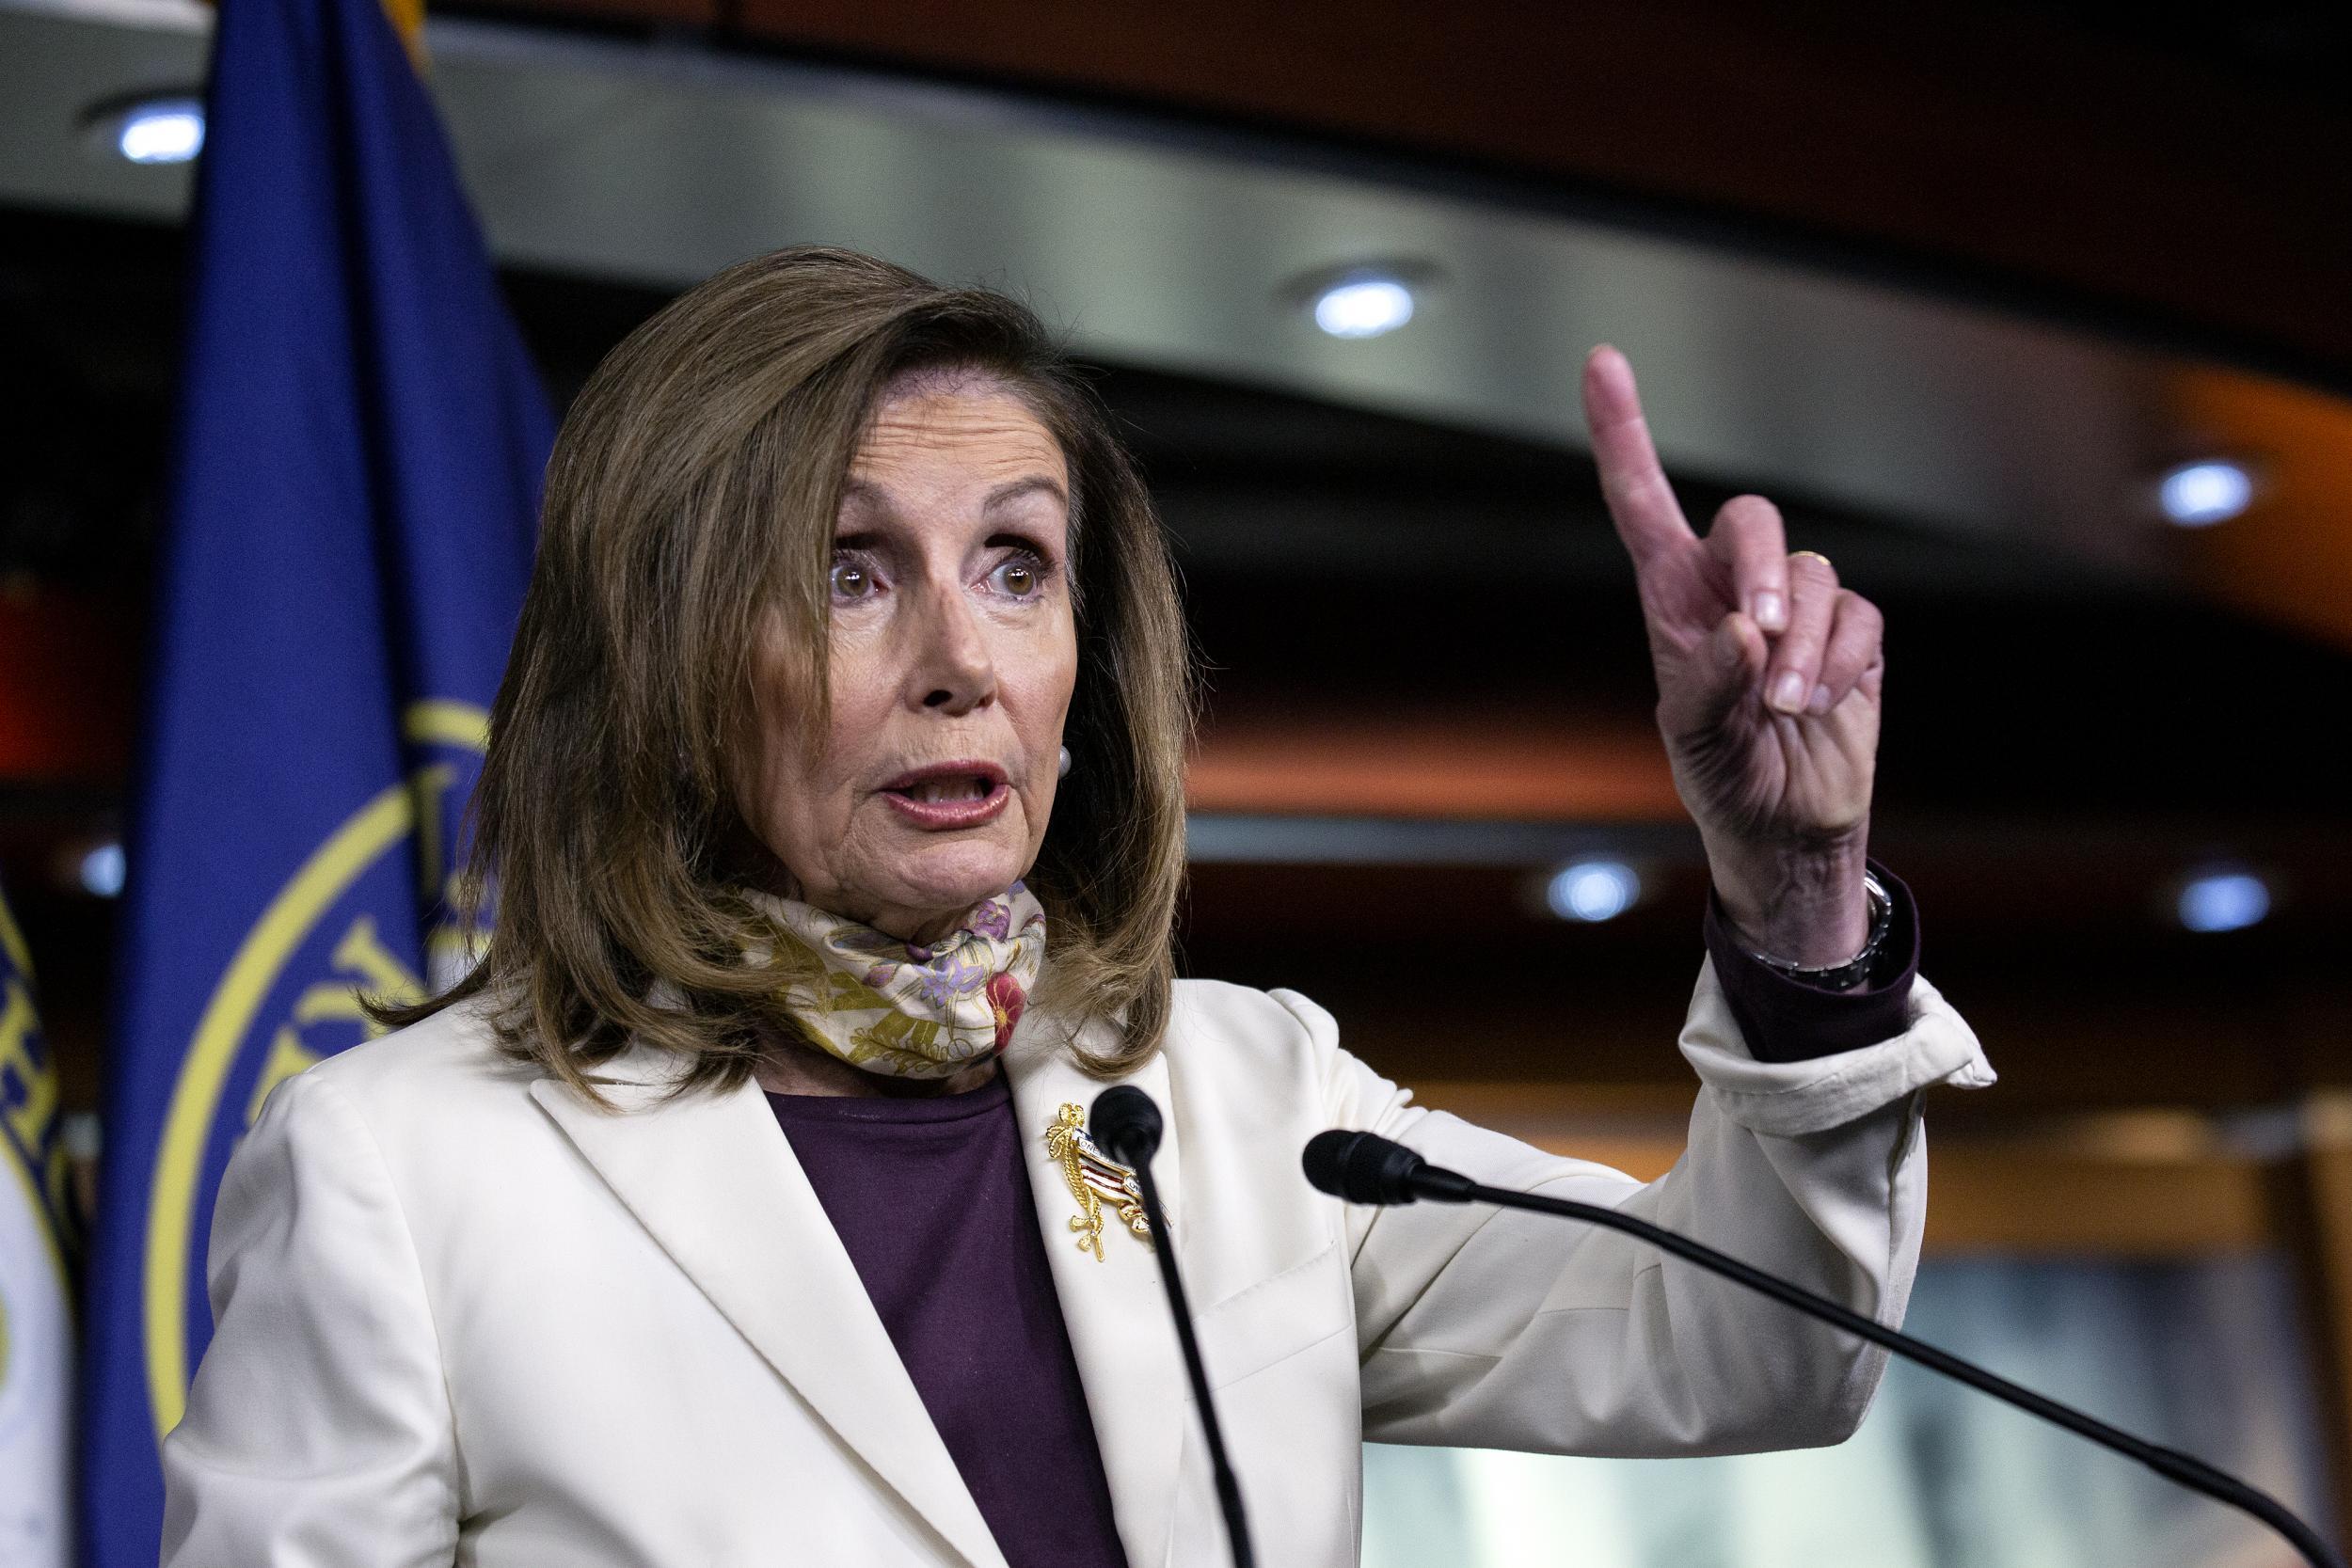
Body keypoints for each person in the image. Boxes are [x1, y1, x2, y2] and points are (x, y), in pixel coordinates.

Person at [160, 245, 1992, 1567]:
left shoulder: (1242, 1093)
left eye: (1016, 566)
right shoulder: (400, 1171)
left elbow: (1761, 1345)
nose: (961, 659)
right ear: (656, 658)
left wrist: (1790, 879)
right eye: (846, 571)